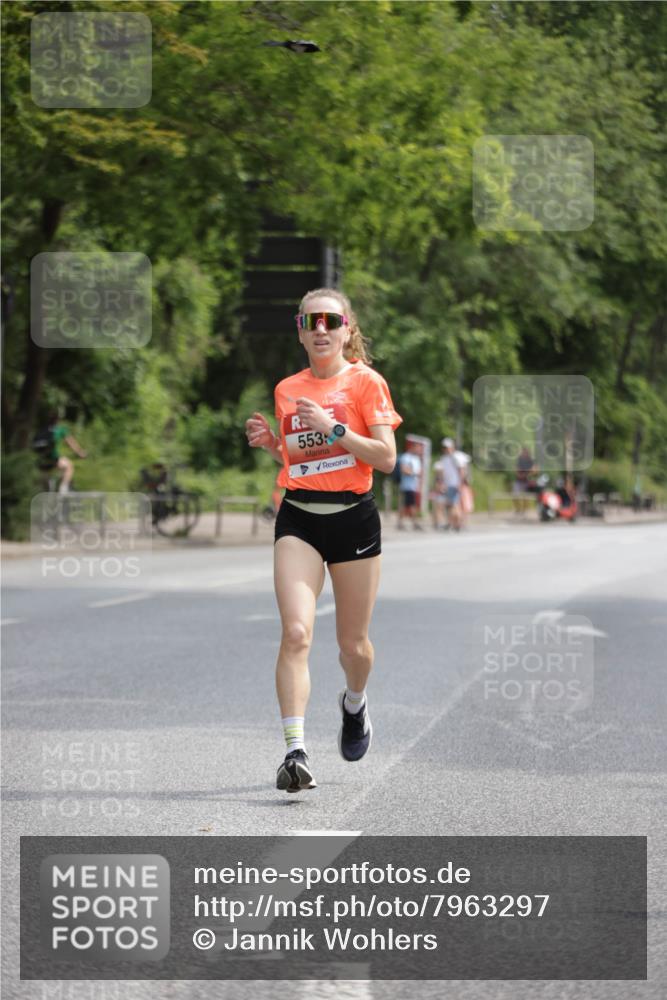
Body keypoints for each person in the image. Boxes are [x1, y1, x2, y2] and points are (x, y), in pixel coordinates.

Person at [245, 287, 402, 793]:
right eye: (310, 321)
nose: (319, 329)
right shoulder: (288, 388)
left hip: (354, 519)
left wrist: (334, 427)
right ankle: (295, 751)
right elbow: (302, 463)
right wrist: (274, 446)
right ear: (299, 329)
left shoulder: (366, 383)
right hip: (300, 519)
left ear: (346, 329)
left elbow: (385, 458)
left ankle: (354, 705)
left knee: (353, 646)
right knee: (296, 634)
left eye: (329, 321)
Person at [34, 410, 87, 493]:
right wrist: (80, 453)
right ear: (57, 420)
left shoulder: (42, 429)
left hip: (41, 461)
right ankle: (63, 489)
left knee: (46, 484)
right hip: (53, 459)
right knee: (69, 466)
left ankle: (47, 495)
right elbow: (71, 443)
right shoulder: (60, 430)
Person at [432, 438, 461, 531]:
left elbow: (461, 471)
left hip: (454, 484)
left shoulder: (456, 457)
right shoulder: (443, 458)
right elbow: (441, 473)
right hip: (446, 485)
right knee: (447, 505)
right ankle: (453, 524)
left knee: (452, 505)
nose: (446, 449)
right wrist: (440, 484)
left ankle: (456, 524)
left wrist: (459, 484)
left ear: (452, 447)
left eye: (447, 447)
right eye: (444, 447)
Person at [397, 440, 423, 530]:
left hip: (414, 486)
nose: (419, 450)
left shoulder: (417, 459)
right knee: (410, 504)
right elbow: (404, 470)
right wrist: (414, 473)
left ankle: (401, 523)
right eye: (418, 448)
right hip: (407, 486)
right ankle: (414, 523)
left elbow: (420, 472)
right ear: (413, 447)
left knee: (406, 505)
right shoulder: (406, 457)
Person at [513, 446, 535, 515]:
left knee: (526, 496)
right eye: (523, 452)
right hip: (518, 480)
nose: (524, 453)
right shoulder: (519, 459)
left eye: (526, 452)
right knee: (515, 495)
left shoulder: (530, 460)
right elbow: (516, 468)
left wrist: (527, 475)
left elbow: (533, 470)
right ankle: (518, 509)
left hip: (526, 480)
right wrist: (518, 474)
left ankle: (524, 510)